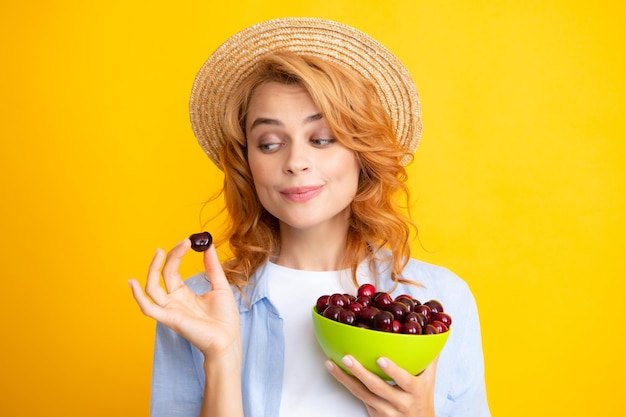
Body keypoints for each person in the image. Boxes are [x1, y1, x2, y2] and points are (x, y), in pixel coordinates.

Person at [128, 17, 490, 417]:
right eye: (269, 143)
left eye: (322, 139)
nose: (296, 162)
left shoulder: (438, 301)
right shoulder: (194, 306)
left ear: (361, 153)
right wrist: (221, 358)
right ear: (248, 163)